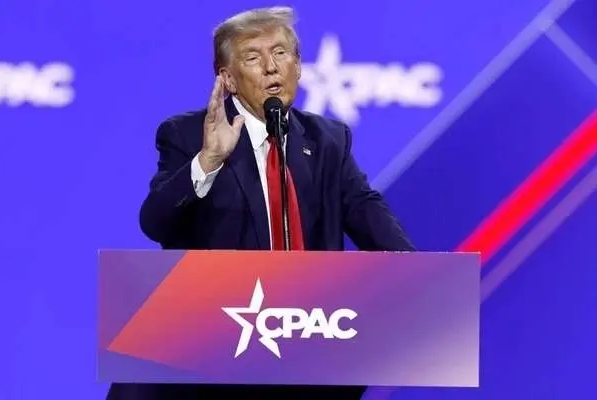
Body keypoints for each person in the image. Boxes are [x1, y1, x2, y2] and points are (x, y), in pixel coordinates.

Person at [107, 6, 415, 400]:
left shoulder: (327, 140)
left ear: (298, 66)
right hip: (213, 350)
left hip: (306, 341)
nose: (272, 67)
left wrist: (416, 275)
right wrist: (208, 161)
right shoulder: (188, 134)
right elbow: (155, 222)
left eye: (281, 53)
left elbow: (365, 210)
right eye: (253, 57)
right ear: (228, 78)